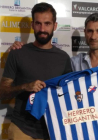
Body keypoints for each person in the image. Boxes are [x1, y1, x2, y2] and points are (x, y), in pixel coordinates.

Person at [8, 13, 98, 140]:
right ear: (85, 32)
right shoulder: (74, 63)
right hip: (86, 131)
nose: (94, 36)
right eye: (90, 31)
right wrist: (19, 50)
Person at [0, 2, 71, 140]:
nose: (42, 29)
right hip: (22, 129)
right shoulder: (17, 53)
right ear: (32, 25)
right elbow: (2, 93)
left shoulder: (64, 58)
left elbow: (68, 95)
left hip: (53, 129)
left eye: (47, 23)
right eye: (38, 23)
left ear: (55, 26)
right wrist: (24, 87)